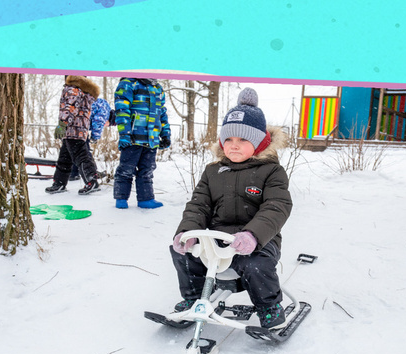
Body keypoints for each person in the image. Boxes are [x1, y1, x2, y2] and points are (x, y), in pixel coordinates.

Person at [168, 89, 294, 331]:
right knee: (183, 252)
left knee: (255, 264)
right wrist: (188, 231)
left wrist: (253, 235)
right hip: (216, 241)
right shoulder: (213, 171)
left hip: (258, 240)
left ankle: (268, 306)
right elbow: (198, 205)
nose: (234, 146)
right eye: (229, 140)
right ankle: (194, 297)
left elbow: (276, 206)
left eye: (243, 140)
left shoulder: (271, 172)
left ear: (259, 142)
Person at [110, 76, 170, 210]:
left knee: (147, 170)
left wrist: (165, 133)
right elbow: (122, 110)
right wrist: (124, 134)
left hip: (152, 138)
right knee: (126, 169)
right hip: (133, 137)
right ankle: (121, 198)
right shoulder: (129, 84)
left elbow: (162, 113)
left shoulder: (157, 88)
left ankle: (146, 199)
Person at [47, 76, 101, 195]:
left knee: (81, 155)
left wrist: (62, 123)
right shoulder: (84, 91)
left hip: (73, 129)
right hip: (78, 128)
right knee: (64, 157)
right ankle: (59, 183)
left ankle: (92, 181)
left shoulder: (72, 88)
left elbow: (69, 108)